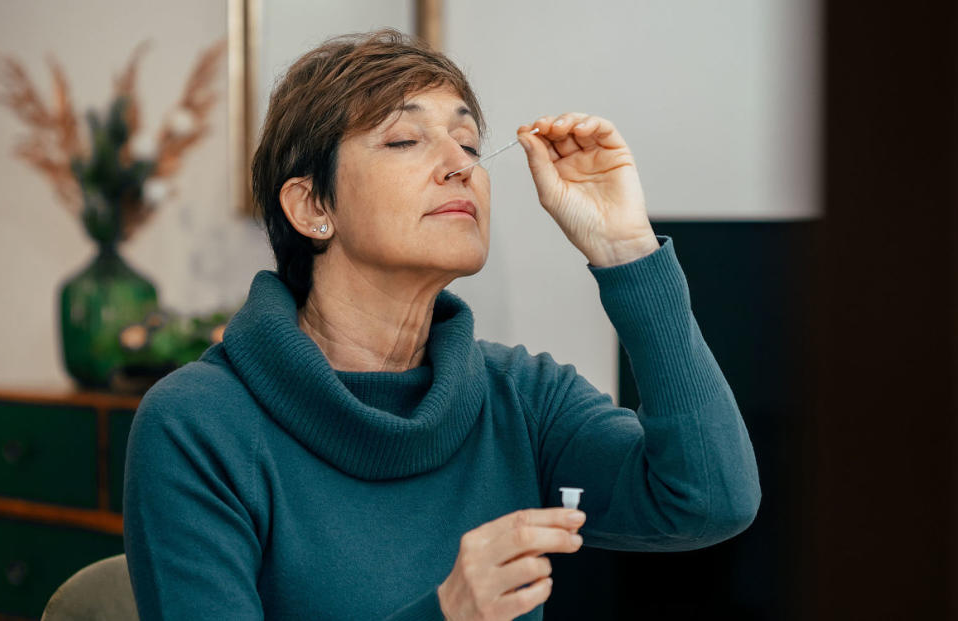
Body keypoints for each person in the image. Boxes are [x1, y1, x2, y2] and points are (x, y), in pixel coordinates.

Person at [123, 28, 760, 621]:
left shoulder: (522, 397)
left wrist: (628, 250)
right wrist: (448, 612)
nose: (460, 165)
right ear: (313, 206)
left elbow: (707, 502)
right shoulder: (196, 424)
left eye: (470, 144)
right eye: (404, 140)